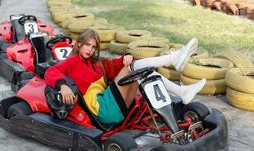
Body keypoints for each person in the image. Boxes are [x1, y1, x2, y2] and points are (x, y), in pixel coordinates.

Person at [44, 29, 206, 125]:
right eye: (87, 45)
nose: (90, 50)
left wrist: (124, 58)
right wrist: (63, 85)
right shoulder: (73, 62)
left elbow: (114, 65)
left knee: (142, 72)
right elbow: (50, 72)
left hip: (116, 107)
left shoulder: (97, 63)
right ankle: (172, 58)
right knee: (132, 68)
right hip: (101, 108)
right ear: (79, 44)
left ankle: (181, 92)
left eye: (93, 47)